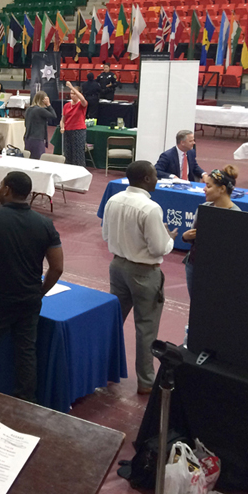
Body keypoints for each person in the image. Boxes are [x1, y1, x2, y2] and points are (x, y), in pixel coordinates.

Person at [0, 171, 63, 403]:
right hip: (28, 300)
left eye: (1, 186)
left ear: (7, 189)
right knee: (26, 352)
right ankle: (25, 402)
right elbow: (57, 267)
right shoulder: (45, 224)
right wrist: (39, 292)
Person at [101, 160, 177, 394]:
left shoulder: (113, 200)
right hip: (144, 272)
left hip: (117, 266)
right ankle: (145, 381)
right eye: (155, 176)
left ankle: (103, 370)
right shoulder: (150, 208)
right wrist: (169, 237)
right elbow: (157, 248)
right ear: (145, 179)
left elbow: (105, 234)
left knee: (113, 322)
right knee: (146, 328)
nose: (157, 179)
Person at [182, 165, 240, 300]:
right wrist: (185, 237)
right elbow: (193, 238)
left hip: (218, 270)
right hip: (194, 264)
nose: (204, 189)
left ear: (222, 189)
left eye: (208, 186)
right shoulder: (203, 208)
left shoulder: (236, 215)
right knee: (195, 303)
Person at [60, 81, 88, 166]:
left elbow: (83, 99)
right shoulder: (67, 105)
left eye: (74, 93)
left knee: (78, 154)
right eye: (71, 93)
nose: (72, 95)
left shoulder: (81, 104)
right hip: (68, 131)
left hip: (78, 131)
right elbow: (63, 120)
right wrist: (62, 127)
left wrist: (71, 87)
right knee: (68, 153)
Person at [23, 92, 56, 159]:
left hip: (28, 137)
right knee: (39, 160)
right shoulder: (40, 110)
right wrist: (49, 104)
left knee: (29, 159)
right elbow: (54, 115)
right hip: (37, 139)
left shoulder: (29, 109)